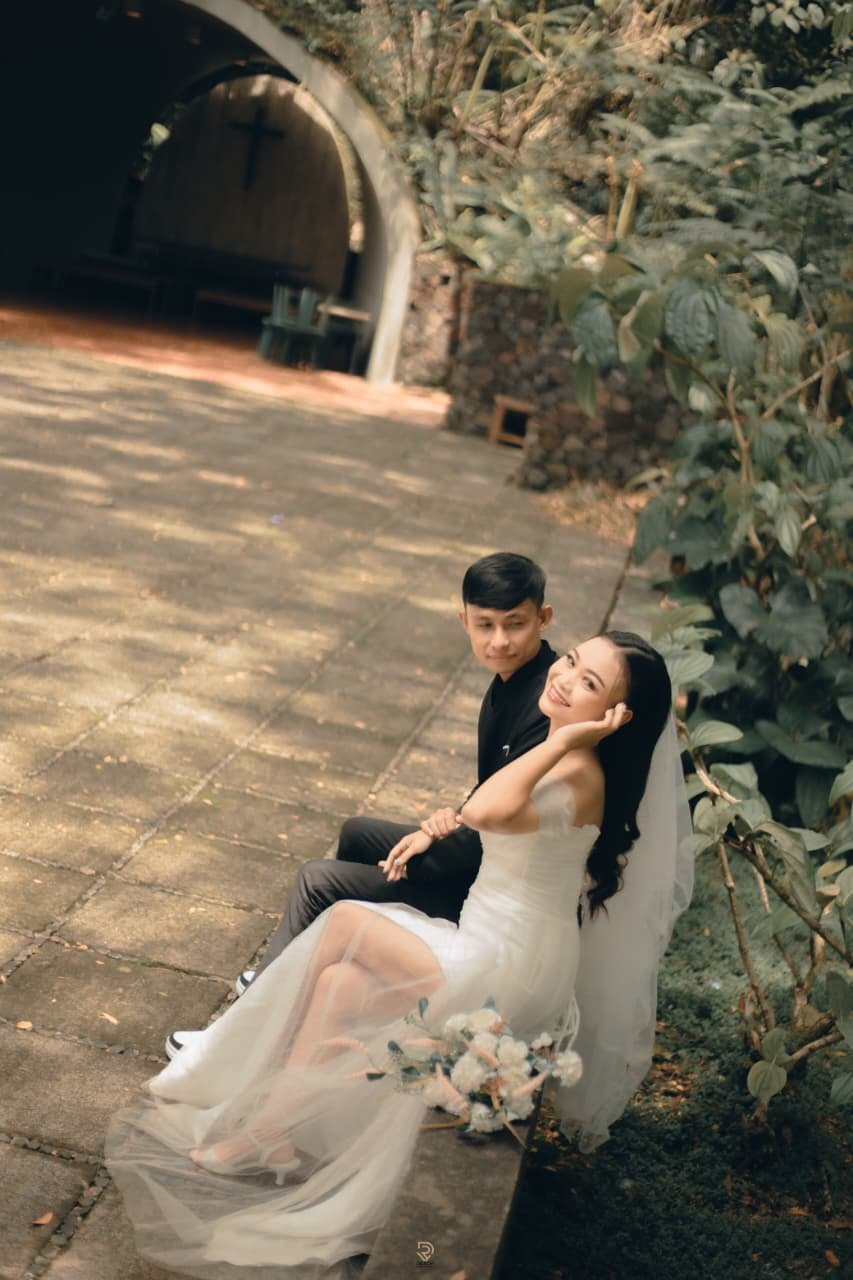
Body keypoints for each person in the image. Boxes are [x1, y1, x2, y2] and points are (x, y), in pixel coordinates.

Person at [107, 631, 692, 1279]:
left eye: (589, 683)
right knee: (338, 982)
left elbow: (487, 809)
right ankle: (273, 1134)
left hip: (512, 964)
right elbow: (480, 815)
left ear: (617, 716)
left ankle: (234, 1073)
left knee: (344, 922)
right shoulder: (563, 752)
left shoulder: (578, 768)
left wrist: (562, 741)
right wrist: (447, 818)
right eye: (572, 660)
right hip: (489, 941)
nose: (564, 676)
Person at [166, 551, 557, 1057]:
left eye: (515, 624)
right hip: (480, 851)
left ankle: (241, 1034)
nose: (499, 640)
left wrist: (439, 836)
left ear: (543, 618)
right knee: (357, 832)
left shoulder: (545, 700)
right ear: (464, 621)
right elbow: (496, 790)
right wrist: (452, 818)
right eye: (485, 625)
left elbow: (502, 826)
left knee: (317, 880)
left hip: (487, 892)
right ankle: (303, 969)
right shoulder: (514, 679)